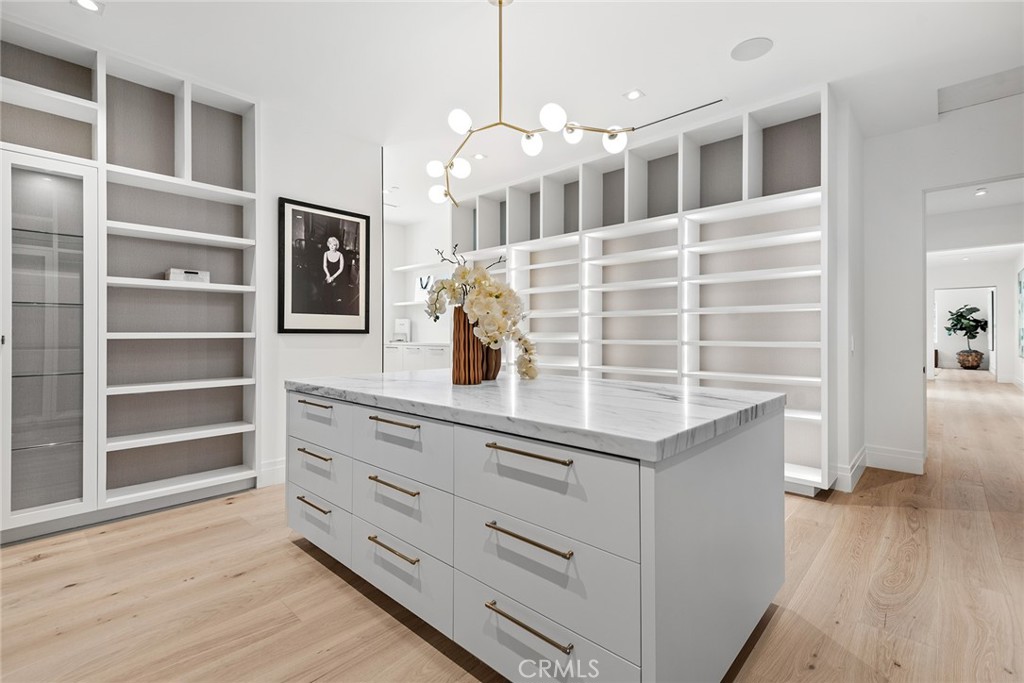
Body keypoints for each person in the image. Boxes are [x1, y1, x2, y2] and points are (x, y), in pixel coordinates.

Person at [322, 236, 344, 314]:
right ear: (328, 244)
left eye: (334, 245)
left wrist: (333, 277)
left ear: (336, 246)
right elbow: (324, 266)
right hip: (328, 274)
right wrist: (328, 275)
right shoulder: (326, 253)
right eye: (330, 244)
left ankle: (334, 308)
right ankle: (326, 308)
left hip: (337, 275)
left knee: (334, 286)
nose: (332, 246)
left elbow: (341, 269)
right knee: (325, 285)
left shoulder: (340, 255)